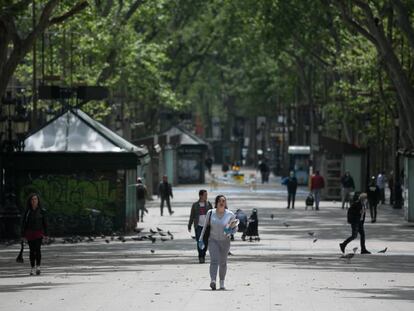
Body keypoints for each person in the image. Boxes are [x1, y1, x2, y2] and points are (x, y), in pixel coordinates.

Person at [199, 195, 237, 290]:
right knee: (214, 261)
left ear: (225, 203)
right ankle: (213, 281)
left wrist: (231, 231)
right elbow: (204, 227)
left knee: (223, 262)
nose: (222, 202)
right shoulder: (210, 213)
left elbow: (236, 227)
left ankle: (222, 282)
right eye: (220, 201)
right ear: (216, 203)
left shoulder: (230, 214)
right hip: (213, 240)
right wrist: (200, 239)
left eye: (223, 201)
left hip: (225, 241)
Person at [21, 193, 48, 276]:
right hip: (29, 233)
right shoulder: (27, 212)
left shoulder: (42, 211)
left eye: (35, 199)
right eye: (32, 199)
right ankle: (32, 268)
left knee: (38, 249)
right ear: (30, 201)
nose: (34, 201)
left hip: (38, 233)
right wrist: (23, 235)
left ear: (38, 200)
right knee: (32, 251)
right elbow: (23, 224)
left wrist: (46, 234)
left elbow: (45, 223)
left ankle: (38, 267)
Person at [188, 190, 213, 263]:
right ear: (200, 196)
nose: (206, 196)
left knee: (205, 242)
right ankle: (200, 256)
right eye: (205, 195)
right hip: (198, 226)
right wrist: (189, 225)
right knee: (199, 241)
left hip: (207, 226)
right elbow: (192, 216)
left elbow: (212, 215)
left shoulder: (209, 204)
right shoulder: (195, 205)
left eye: (206, 195)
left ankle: (203, 254)